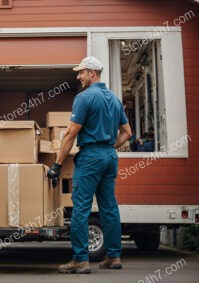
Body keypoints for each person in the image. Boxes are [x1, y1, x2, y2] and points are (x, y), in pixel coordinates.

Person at [47, 56, 132, 274]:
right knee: (109, 207)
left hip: (91, 157)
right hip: (109, 157)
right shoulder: (114, 100)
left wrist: (57, 164)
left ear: (91, 73)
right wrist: (108, 147)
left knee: (81, 209)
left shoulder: (84, 98)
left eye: (81, 72)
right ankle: (113, 257)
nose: (78, 76)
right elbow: (127, 134)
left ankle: (80, 260)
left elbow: (70, 135)